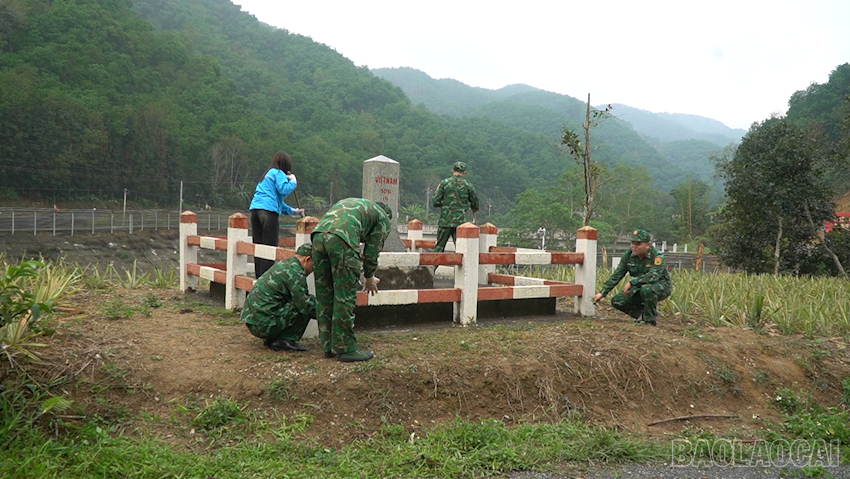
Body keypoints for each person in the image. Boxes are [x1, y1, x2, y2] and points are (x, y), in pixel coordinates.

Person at [311, 198, 392, 362]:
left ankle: (328, 345)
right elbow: (372, 250)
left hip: (318, 236)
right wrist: (369, 276)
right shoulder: (383, 217)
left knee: (324, 295)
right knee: (344, 296)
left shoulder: (358, 205)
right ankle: (345, 349)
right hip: (342, 239)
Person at [241, 243, 316, 351]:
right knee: (304, 304)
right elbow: (305, 304)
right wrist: (330, 314)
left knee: (295, 300)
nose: (313, 270)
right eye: (314, 265)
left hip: (254, 321)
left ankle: (273, 338)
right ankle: (285, 340)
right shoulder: (296, 272)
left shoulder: (285, 264)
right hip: (264, 324)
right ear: (307, 260)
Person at [592, 229, 672, 326]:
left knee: (647, 289)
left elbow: (653, 276)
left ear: (648, 245)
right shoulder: (629, 255)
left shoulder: (657, 256)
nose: (634, 246)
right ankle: (642, 314)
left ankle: (649, 321)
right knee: (617, 300)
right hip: (639, 286)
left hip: (660, 287)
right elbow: (618, 274)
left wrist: (632, 282)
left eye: (638, 244)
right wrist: (603, 292)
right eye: (632, 243)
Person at [249, 152, 305, 279]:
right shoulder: (278, 173)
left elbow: (279, 203)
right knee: (269, 248)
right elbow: (283, 189)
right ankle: (265, 282)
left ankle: (259, 278)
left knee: (259, 247)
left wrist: (295, 211)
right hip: (268, 213)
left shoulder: (266, 176)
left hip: (255, 211)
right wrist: (293, 182)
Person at [432, 162, 479, 252]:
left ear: (452, 171)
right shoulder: (468, 186)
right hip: (460, 223)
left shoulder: (444, 183)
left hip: (445, 221)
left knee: (439, 248)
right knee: (460, 249)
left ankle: (432, 266)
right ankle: (464, 266)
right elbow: (475, 204)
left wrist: (445, 206)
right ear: (464, 172)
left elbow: (435, 202)